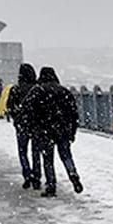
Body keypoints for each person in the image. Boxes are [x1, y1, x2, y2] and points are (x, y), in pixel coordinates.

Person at [23, 66, 81, 197]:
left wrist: (32, 129)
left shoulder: (38, 91)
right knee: (66, 155)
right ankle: (72, 173)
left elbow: (28, 111)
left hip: (44, 131)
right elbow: (74, 114)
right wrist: (72, 131)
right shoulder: (64, 91)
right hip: (63, 130)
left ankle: (51, 185)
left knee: (48, 159)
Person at [5, 64, 41, 190]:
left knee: (22, 151)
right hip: (36, 125)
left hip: (22, 125)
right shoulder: (37, 88)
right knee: (36, 152)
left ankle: (27, 174)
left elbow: (9, 106)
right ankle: (37, 177)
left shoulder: (15, 89)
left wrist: (17, 118)